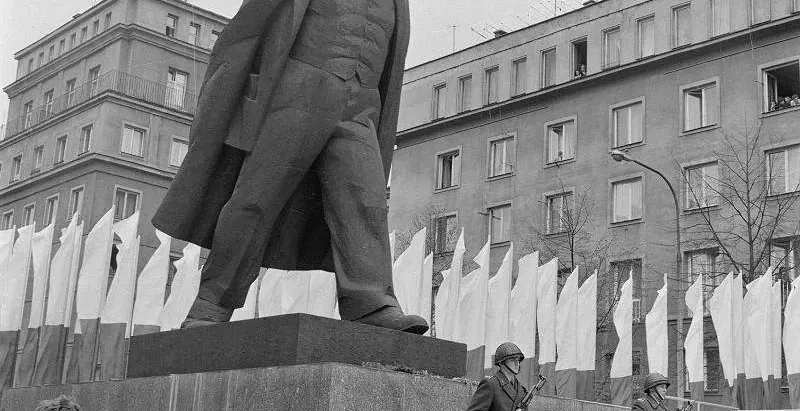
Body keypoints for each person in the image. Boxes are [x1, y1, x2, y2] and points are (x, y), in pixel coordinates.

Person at [152, 0, 428, 334]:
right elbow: (246, 34)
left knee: (366, 202)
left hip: (362, 103)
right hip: (297, 90)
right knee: (256, 198)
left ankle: (371, 303)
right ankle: (212, 303)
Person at [466, 342, 529, 411]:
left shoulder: (521, 390)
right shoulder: (490, 384)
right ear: (501, 363)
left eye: (518, 360)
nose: (517, 363)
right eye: (512, 360)